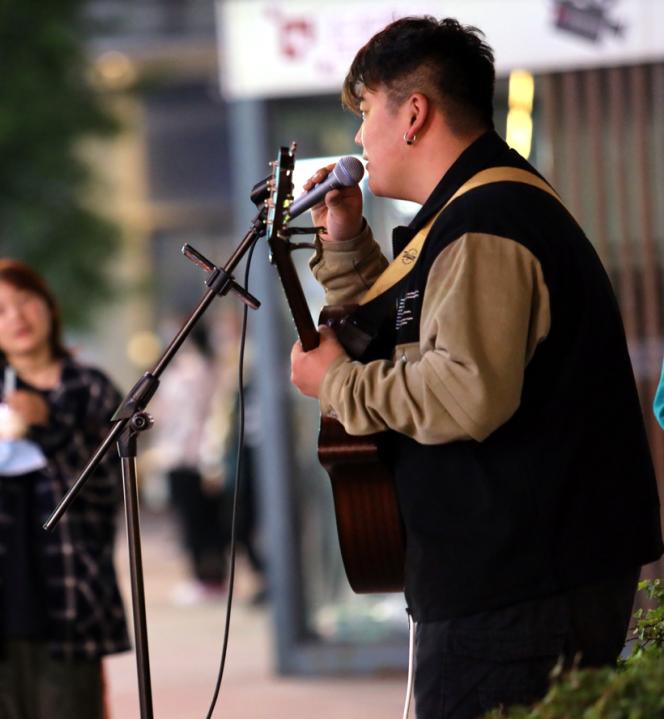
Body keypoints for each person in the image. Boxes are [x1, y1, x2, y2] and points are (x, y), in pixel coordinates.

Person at [287, 16, 662, 719]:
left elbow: (463, 392)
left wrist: (334, 383)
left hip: (518, 589)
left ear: (416, 114)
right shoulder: (477, 208)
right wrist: (344, 241)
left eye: (368, 113)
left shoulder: (487, 223)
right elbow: (408, 329)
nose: (361, 139)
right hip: (527, 577)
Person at [0, 258, 130, 719]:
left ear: (49, 308)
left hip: (72, 595)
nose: (17, 317)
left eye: (25, 302)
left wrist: (50, 424)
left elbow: (107, 494)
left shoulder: (92, 390)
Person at [146, 322, 229, 605]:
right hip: (201, 456)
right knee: (208, 521)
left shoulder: (185, 374)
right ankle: (213, 578)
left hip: (184, 455)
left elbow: (169, 415)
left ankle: (202, 579)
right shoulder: (210, 370)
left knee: (193, 522)